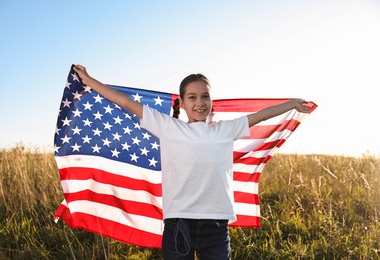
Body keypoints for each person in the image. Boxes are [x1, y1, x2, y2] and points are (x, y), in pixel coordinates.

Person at [73, 65, 311, 259]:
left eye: (205, 96)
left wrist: (293, 103)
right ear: (183, 103)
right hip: (179, 223)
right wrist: (89, 79)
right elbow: (125, 102)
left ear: (212, 101)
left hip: (216, 226)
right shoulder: (167, 126)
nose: (200, 102)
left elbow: (260, 115)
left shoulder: (225, 130)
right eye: (192, 97)